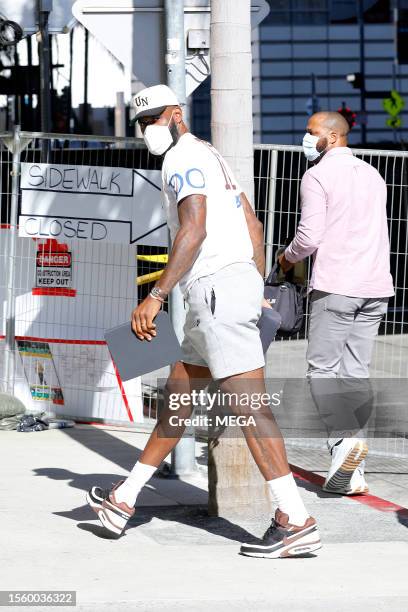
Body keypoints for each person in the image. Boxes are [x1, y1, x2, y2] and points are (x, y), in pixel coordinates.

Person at [86, 84, 321, 558]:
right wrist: (250, 284)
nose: (147, 129)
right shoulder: (211, 156)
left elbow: (194, 228)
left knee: (250, 406)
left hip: (213, 288)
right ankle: (125, 499)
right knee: (179, 400)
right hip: (214, 292)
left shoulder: (181, 159)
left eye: (152, 119)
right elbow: (252, 225)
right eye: (141, 123)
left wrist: (155, 296)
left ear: (175, 114)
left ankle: (294, 518)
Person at [279, 111, 394, 495]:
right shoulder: (372, 174)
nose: (306, 138)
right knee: (355, 372)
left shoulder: (317, 175)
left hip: (337, 284)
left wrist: (286, 257)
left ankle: (343, 442)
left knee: (322, 371)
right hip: (375, 285)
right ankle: (350, 467)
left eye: (311, 132)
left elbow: (309, 236)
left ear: (332, 135)